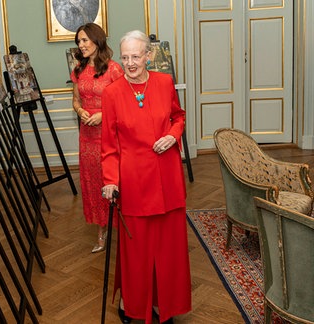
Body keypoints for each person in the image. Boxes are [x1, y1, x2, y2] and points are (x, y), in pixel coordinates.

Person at [101, 30, 191, 323]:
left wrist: (172, 135)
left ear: (148, 56)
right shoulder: (112, 93)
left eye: (136, 56)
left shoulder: (164, 83)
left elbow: (178, 117)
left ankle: (165, 307)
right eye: (125, 57)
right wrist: (111, 180)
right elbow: (109, 145)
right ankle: (133, 304)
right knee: (137, 252)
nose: (130, 63)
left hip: (168, 180)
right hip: (134, 182)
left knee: (169, 251)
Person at [70, 23, 123, 253]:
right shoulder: (78, 70)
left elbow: (123, 103)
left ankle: (124, 228)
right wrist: (80, 111)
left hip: (110, 135)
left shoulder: (114, 70)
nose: (81, 45)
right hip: (87, 137)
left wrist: (103, 114)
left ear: (96, 40)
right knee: (93, 182)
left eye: (84, 40)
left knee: (113, 179)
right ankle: (101, 231)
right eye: (78, 42)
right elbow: (75, 100)